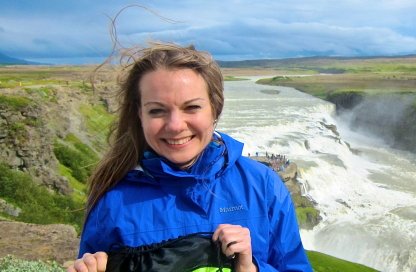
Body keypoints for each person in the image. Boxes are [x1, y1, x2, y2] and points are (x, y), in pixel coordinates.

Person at [67, 42, 312, 272]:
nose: (175, 125)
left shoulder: (263, 185)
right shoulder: (110, 202)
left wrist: (250, 269)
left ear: (215, 108)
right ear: (139, 115)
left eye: (191, 107)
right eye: (157, 110)